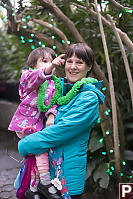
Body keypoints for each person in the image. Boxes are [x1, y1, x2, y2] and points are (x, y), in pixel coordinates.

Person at [18, 43, 105, 199]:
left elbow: (61, 131)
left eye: (79, 62)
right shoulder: (56, 89)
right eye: (69, 61)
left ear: (89, 67)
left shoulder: (89, 98)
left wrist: (25, 144)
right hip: (46, 174)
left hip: (67, 176)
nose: (73, 67)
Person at [8, 47, 65, 199]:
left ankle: (32, 189)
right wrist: (52, 65)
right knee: (40, 150)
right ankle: (44, 183)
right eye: (44, 61)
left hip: (38, 124)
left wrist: (52, 116)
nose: (49, 64)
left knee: (36, 156)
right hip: (24, 123)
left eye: (51, 61)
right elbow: (38, 76)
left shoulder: (52, 84)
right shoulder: (27, 76)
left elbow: (52, 102)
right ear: (32, 65)